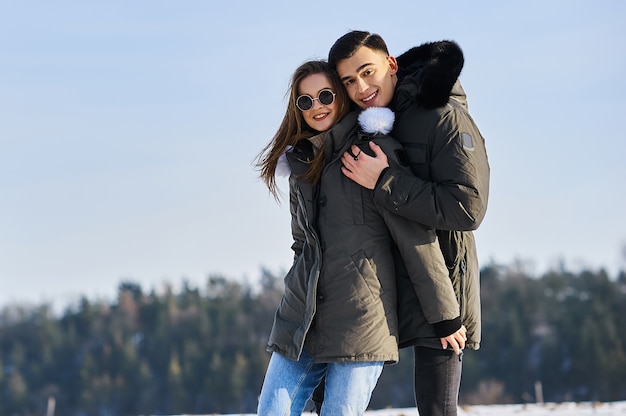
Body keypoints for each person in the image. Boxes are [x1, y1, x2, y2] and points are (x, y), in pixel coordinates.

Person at [255, 59, 467, 416]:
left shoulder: (372, 153)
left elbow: (413, 236)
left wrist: (445, 316)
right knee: (272, 411)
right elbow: (301, 245)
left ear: (340, 95)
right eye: (305, 102)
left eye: (324, 95)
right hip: (302, 321)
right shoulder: (301, 165)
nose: (317, 106)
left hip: (363, 321)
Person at [323, 31, 491, 416]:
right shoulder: (367, 123)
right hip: (382, 282)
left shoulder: (444, 118)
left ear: (392, 65)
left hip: (442, 281)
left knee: (436, 408)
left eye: (368, 72)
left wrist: (386, 181)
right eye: (349, 80)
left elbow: (468, 208)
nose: (362, 88)